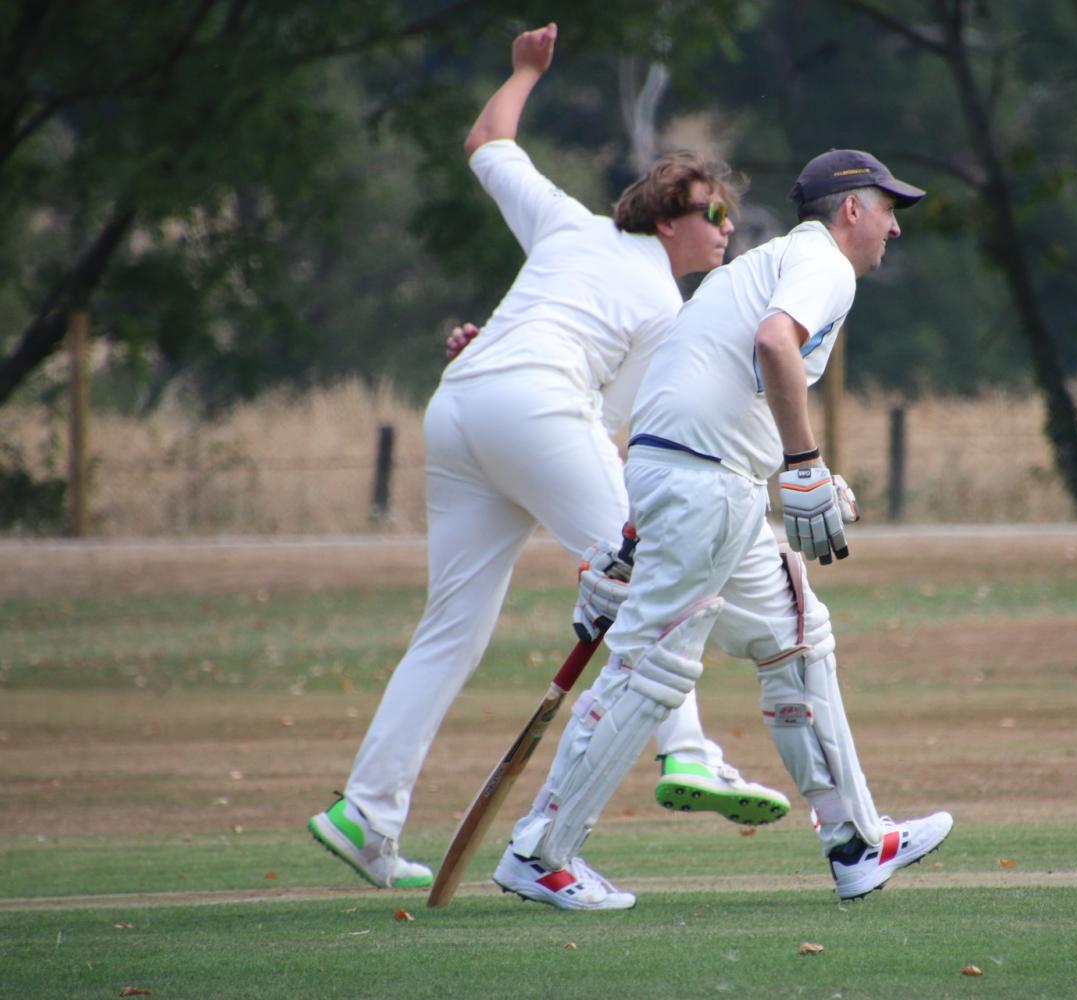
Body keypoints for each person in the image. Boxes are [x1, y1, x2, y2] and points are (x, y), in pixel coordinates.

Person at [308, 22, 788, 891]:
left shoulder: (567, 225)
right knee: (661, 571)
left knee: (452, 629)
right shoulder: (666, 311)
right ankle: (687, 752)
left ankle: (366, 814)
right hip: (530, 408)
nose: (726, 229)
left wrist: (524, 72)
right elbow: (612, 427)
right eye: (713, 213)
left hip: (461, 405)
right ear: (669, 219)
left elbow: (488, 143)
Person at [492, 149, 954, 910]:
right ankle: (542, 853)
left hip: (698, 479)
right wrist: (803, 466)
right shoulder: (822, 264)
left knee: (795, 640)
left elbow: (694, 389)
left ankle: (855, 842)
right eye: (887, 209)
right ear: (851, 209)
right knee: (651, 668)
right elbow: (775, 343)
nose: (894, 228)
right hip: (704, 485)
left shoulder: (754, 269)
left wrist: (635, 537)